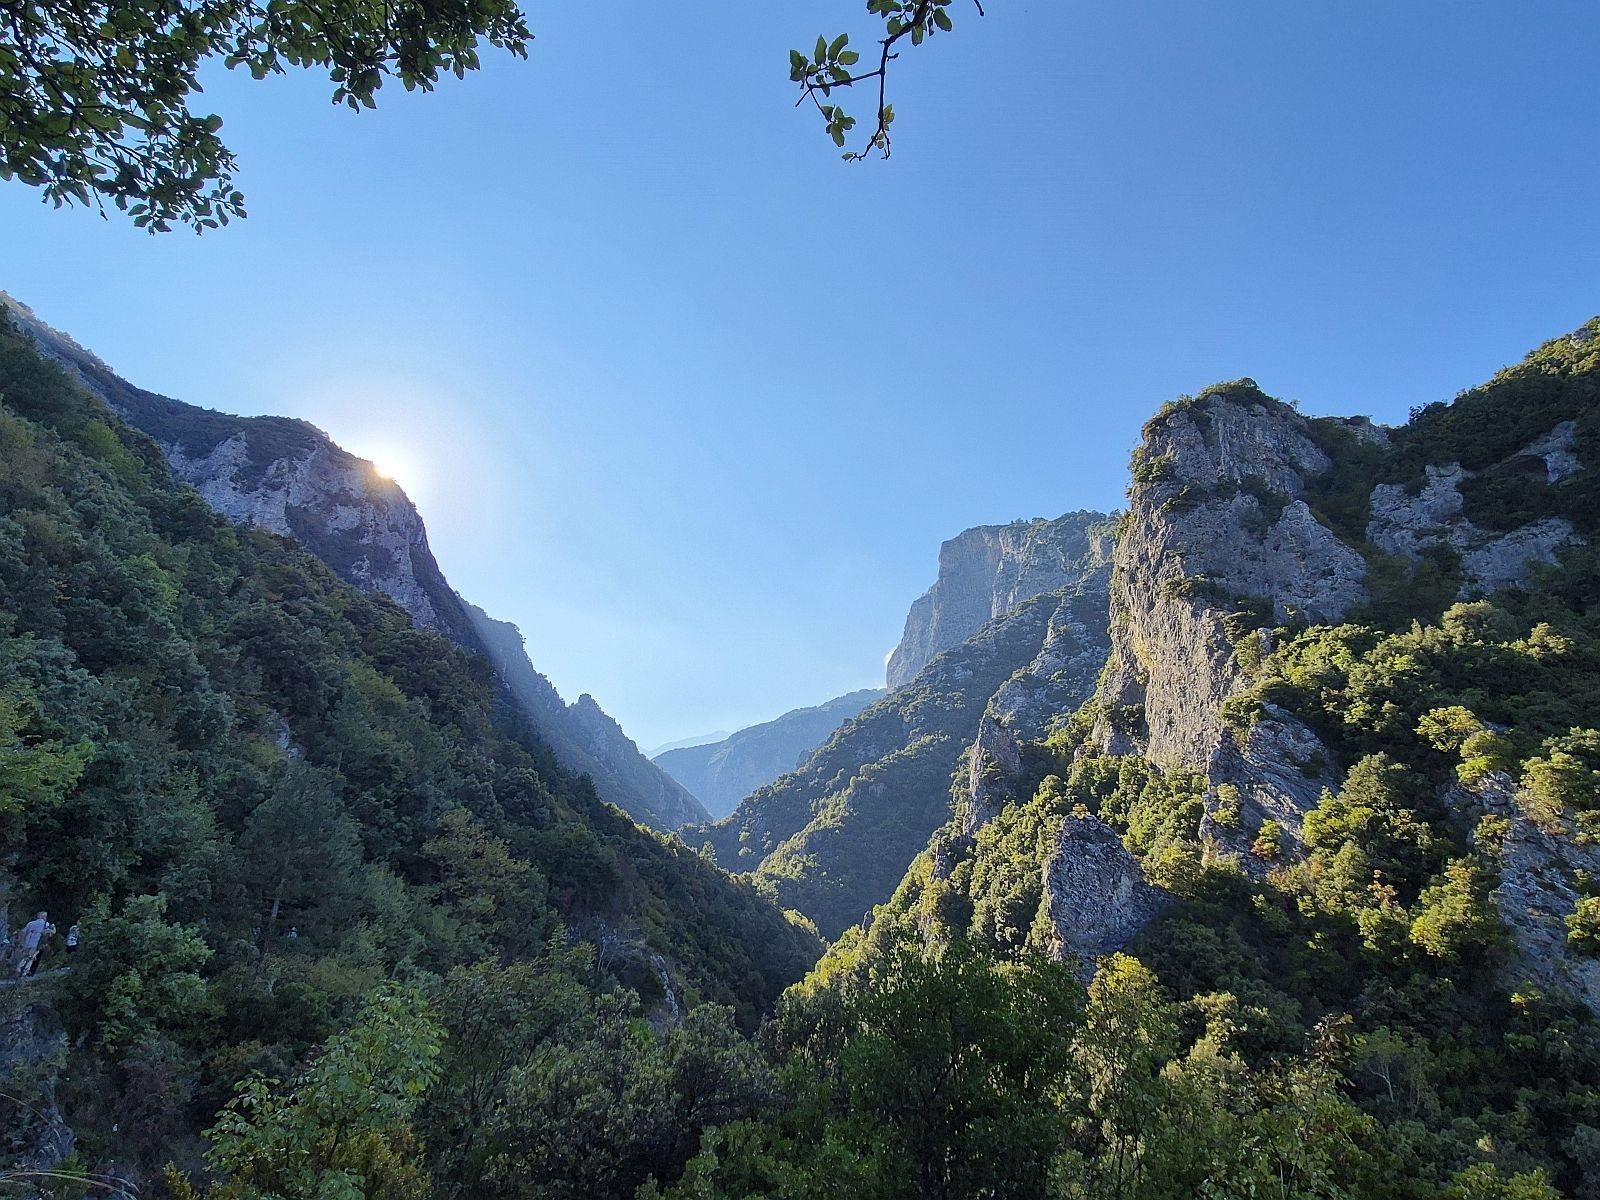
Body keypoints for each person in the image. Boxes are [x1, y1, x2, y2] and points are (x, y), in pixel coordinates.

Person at [16, 912, 53, 978]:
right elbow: (50, 932)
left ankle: (19, 969)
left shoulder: (31, 923)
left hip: (27, 942)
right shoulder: (45, 924)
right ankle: (25, 972)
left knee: (25, 956)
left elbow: (23, 932)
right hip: (36, 943)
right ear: (44, 917)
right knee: (31, 958)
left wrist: (22, 942)